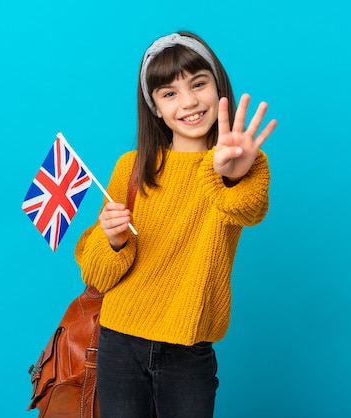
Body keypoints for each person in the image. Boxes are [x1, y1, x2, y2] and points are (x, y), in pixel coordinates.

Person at [74, 31, 277, 418]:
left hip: (188, 351)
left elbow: (249, 210)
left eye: (198, 84)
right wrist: (113, 240)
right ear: (155, 108)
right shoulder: (131, 168)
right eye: (169, 93)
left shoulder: (238, 163)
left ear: (218, 86)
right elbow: (96, 271)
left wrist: (230, 176)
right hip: (119, 342)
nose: (188, 102)